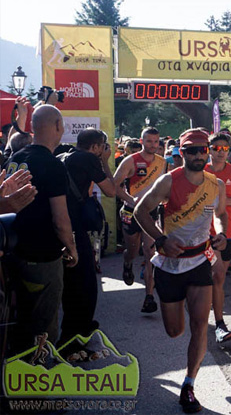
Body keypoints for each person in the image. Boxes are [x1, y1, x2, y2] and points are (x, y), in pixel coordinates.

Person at [135, 128, 228, 413]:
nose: (199, 155)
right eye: (192, 151)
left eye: (203, 150)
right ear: (181, 153)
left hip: (200, 259)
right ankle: (177, 318)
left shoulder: (217, 184)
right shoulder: (168, 181)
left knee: (201, 325)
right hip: (169, 264)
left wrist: (221, 233)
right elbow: (140, 211)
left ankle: (189, 385)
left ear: (209, 152)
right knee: (176, 331)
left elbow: (222, 215)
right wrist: (161, 240)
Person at [7, 105, 75, 355]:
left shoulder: (16, 157)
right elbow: (60, 218)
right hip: (42, 254)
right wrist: (72, 247)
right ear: (58, 125)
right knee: (44, 325)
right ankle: (40, 384)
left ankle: (17, 377)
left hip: (14, 250)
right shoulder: (51, 164)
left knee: (21, 319)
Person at [57, 129, 117, 345]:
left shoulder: (62, 156)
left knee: (70, 279)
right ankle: (77, 332)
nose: (103, 149)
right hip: (74, 226)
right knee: (86, 281)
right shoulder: (89, 159)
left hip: (58, 222)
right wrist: (106, 162)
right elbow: (111, 190)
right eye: (103, 146)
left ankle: (71, 329)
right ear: (95, 147)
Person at [113, 127, 168, 313]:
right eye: (149, 141)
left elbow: (163, 188)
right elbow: (115, 185)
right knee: (133, 250)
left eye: (156, 141)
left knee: (149, 252)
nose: (153, 145)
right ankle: (127, 263)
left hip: (150, 213)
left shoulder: (162, 163)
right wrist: (130, 199)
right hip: (130, 212)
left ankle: (149, 297)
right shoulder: (131, 161)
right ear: (142, 141)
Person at [205, 132, 231, 344]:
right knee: (214, 276)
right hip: (202, 233)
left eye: (224, 149)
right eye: (216, 148)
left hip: (227, 232)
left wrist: (226, 202)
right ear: (209, 149)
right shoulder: (200, 171)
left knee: (218, 278)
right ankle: (217, 322)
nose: (220, 153)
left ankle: (217, 321)